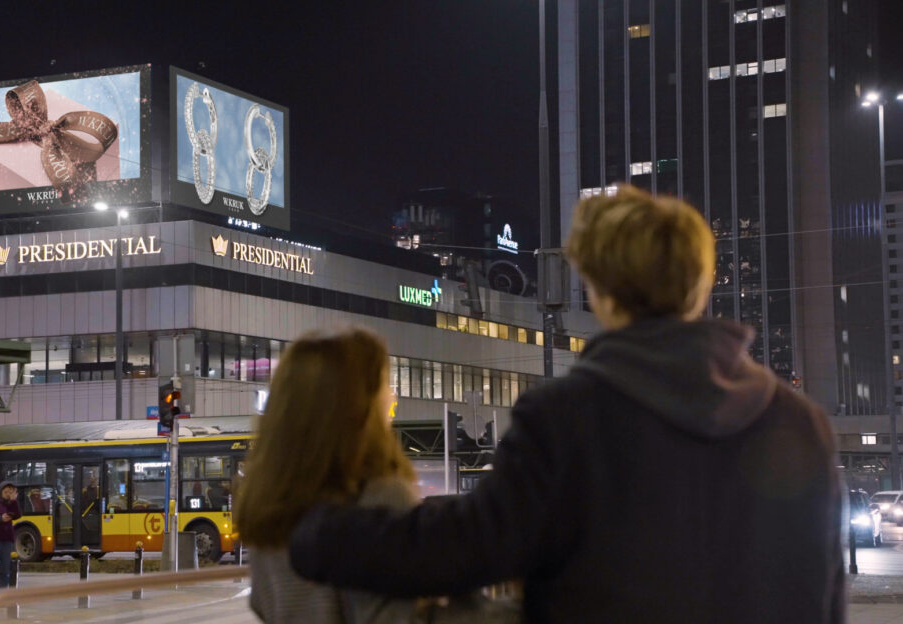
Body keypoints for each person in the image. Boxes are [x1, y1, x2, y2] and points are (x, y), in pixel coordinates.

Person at [289, 185, 844, 622]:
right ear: (698, 284)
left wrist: (319, 533)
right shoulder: (799, 423)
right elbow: (825, 597)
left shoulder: (568, 418)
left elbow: (462, 547)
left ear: (599, 288)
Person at [236, 328, 422, 623]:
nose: (391, 396)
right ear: (356, 406)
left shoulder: (264, 510)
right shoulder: (380, 499)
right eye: (384, 384)